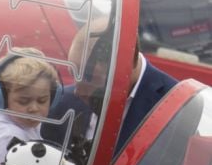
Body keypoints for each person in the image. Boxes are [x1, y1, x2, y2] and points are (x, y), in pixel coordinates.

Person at [41, 17, 178, 156]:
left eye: (87, 77)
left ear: (129, 62)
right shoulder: (62, 106)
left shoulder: (175, 108)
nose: (78, 91)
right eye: (74, 74)